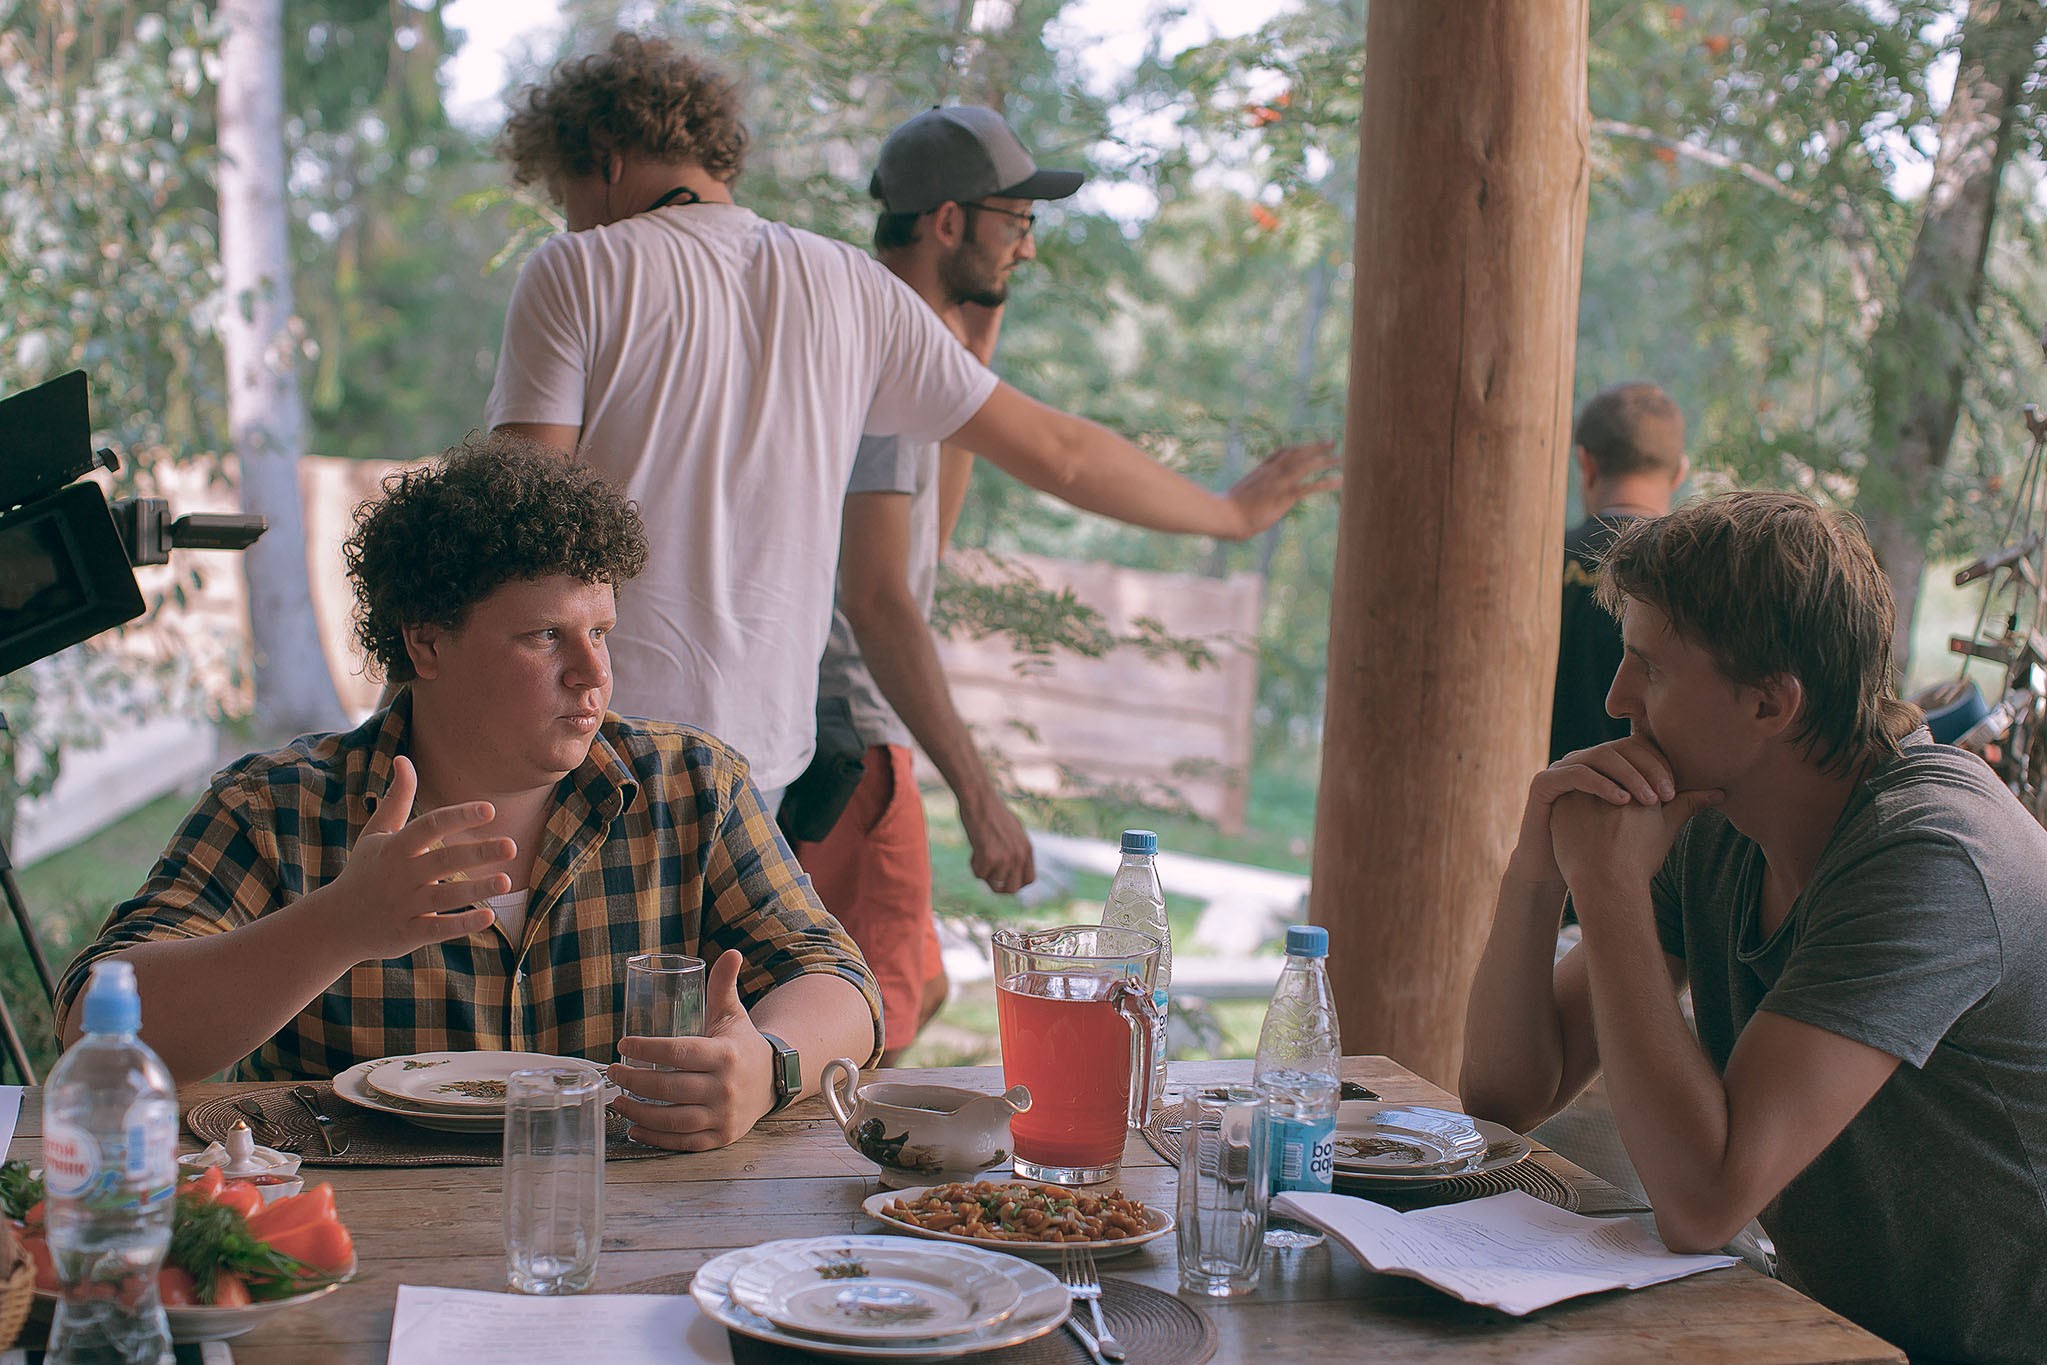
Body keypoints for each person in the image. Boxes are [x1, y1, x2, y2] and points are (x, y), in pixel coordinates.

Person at [483, 34, 1335, 810]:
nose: (571, 215)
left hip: (596, 740)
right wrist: (1227, 513)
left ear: (603, 158)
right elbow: (1062, 452)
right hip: (760, 765)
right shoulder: (856, 289)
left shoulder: (578, 269)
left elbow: (515, 521)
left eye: (565, 192)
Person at [53, 435, 883, 1152]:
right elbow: (95, 1021)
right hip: (349, 1239)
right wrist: (337, 925)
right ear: (426, 643)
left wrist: (767, 1066)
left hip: (629, 1231)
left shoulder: (692, 788)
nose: (593, 672)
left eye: (599, 630)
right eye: (544, 635)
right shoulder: (277, 810)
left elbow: (838, 978)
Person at [1461, 490, 2047, 1360]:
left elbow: (1701, 1203)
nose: (1617, 699)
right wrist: (1537, 868)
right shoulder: (1716, 822)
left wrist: (1610, 889)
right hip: (1832, 1333)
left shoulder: (1928, 855)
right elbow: (1506, 1096)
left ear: (1771, 704)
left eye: (1649, 667)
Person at [1550, 382, 1686, 762]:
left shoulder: (1538, 562)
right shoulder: (1696, 579)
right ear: (1679, 473)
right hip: (1653, 791)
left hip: (1534, 786)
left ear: (1586, 463)